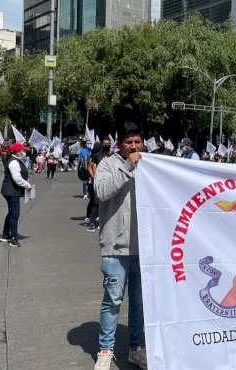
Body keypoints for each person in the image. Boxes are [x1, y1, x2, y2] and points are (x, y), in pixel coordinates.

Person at [94, 123, 146, 370]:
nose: (134, 146)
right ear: (120, 144)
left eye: (137, 141)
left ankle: (136, 349)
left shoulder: (150, 165)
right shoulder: (108, 164)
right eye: (129, 142)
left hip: (144, 249)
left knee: (139, 303)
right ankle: (105, 350)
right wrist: (128, 166)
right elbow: (102, 192)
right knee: (112, 301)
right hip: (115, 248)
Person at [0, 143, 34, 248]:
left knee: (11, 213)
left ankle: (5, 234)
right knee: (15, 214)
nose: (24, 152)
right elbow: (17, 178)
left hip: (11, 190)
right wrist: (28, 186)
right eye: (22, 150)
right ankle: (13, 238)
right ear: (17, 151)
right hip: (11, 191)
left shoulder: (15, 160)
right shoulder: (14, 162)